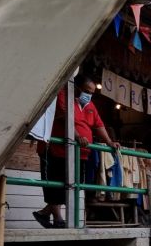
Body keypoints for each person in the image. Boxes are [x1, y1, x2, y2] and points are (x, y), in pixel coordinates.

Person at [34, 75, 119, 228]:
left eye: (92, 93)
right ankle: (58, 219)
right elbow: (64, 118)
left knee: (72, 186)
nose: (89, 95)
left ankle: (46, 214)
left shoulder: (90, 106)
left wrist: (109, 142)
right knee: (56, 185)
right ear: (76, 87)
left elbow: (99, 125)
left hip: (80, 153)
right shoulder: (63, 96)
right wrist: (78, 136)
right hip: (56, 150)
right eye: (87, 91)